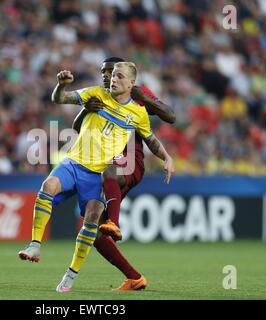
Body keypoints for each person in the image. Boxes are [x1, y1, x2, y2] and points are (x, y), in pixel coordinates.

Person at [18, 62, 173, 293]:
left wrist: (167, 157)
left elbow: (151, 137)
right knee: (48, 185)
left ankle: (70, 275)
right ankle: (34, 245)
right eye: (109, 75)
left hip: (100, 173)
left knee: (91, 219)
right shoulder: (96, 94)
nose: (111, 79)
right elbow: (61, 100)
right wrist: (61, 87)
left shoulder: (139, 111)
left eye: (117, 75)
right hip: (74, 162)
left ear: (131, 82)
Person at [71, 57, 175, 290]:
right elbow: (78, 129)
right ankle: (135, 278)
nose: (107, 76)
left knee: (110, 173)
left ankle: (115, 223)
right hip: (104, 164)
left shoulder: (135, 94)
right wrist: (84, 110)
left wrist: (144, 98)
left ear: (126, 79)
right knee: (92, 231)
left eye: (113, 72)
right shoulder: (98, 95)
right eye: (103, 72)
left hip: (128, 161)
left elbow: (171, 116)